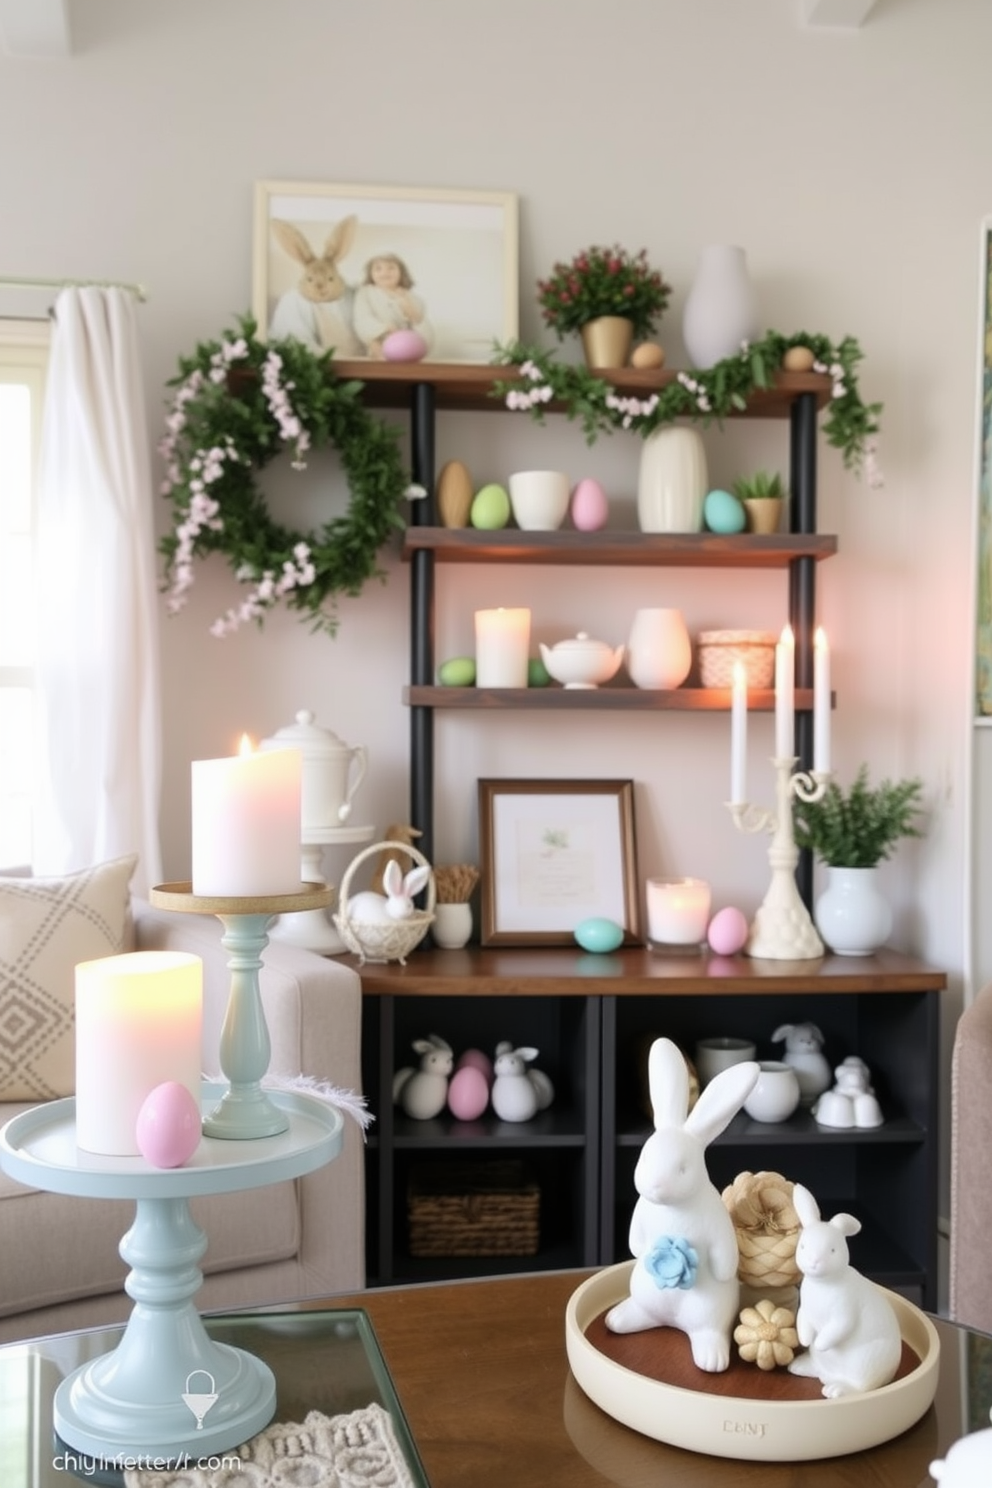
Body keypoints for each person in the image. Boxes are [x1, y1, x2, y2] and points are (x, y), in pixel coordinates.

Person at [353, 252, 433, 358]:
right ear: (370, 274)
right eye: (378, 268)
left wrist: (408, 307)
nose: (385, 272)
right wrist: (384, 329)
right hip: (377, 345)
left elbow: (421, 324)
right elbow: (362, 319)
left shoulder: (413, 298)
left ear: (401, 272)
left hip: (407, 348)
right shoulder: (365, 293)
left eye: (391, 268)